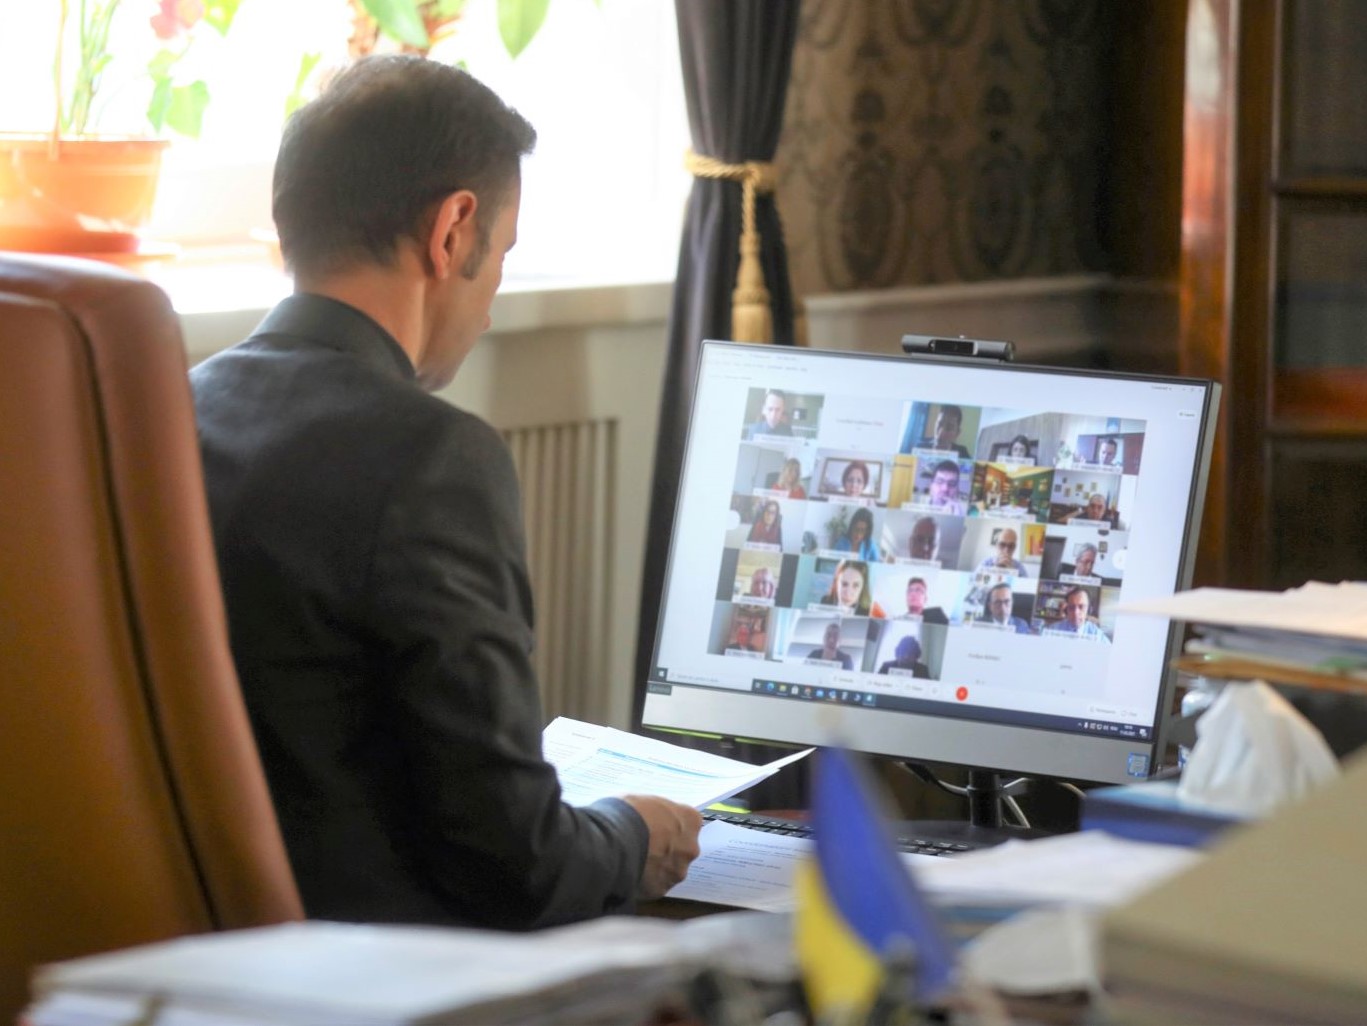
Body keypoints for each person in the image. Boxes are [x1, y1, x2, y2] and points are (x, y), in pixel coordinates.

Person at [189, 57, 700, 930]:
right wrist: (632, 833)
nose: (492, 296)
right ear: (454, 230)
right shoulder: (430, 458)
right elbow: (520, 866)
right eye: (503, 253)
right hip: (393, 958)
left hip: (205, 944)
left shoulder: (179, 408)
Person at [819, 559, 883, 617]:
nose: (848, 593)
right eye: (844, 584)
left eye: (856, 586)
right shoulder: (826, 601)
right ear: (836, 583)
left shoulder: (869, 612)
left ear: (863, 587)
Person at [1044, 587, 1111, 642]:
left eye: (1081, 607)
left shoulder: (1097, 634)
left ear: (1088, 610)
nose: (1075, 612)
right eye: (1071, 607)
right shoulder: (1053, 630)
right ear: (1066, 610)